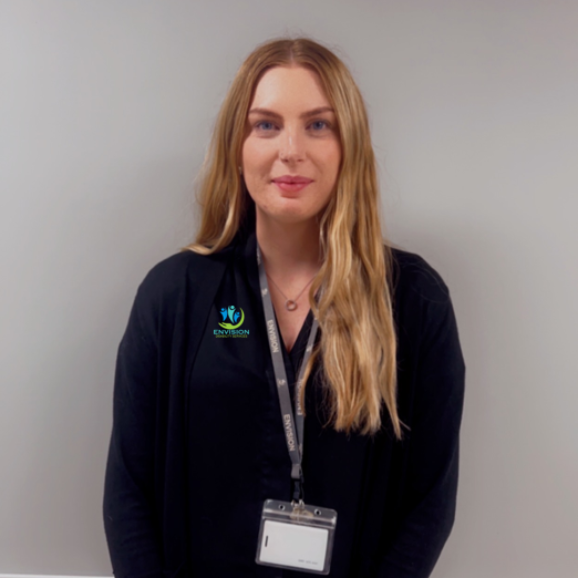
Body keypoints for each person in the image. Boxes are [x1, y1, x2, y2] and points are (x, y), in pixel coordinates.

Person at [103, 37, 466, 578]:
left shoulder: (413, 300)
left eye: (318, 124)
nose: (290, 149)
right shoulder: (174, 295)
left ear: (349, 145)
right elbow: (129, 492)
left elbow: (428, 501)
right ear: (238, 146)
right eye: (266, 125)